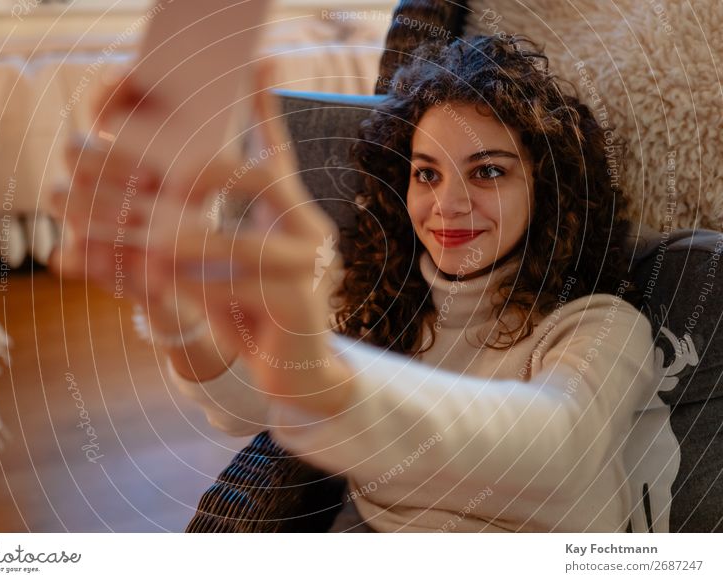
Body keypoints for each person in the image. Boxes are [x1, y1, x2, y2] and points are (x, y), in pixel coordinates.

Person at [50, 34, 656, 533]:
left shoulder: (600, 325)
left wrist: (324, 376)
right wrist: (169, 305)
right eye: (426, 173)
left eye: (488, 171)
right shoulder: (378, 304)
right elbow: (247, 404)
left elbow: (559, 448)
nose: (448, 203)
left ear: (547, 191)